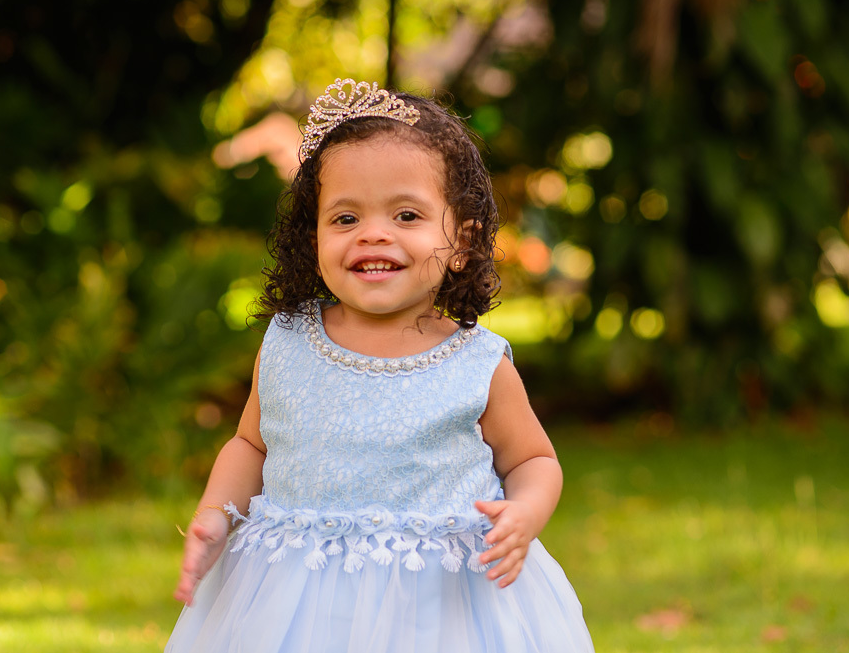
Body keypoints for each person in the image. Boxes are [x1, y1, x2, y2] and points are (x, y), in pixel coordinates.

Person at [166, 78, 595, 652]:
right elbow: (251, 446)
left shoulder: (476, 364)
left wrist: (525, 514)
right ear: (311, 234)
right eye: (345, 219)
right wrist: (217, 512)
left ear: (462, 240)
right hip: (297, 600)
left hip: (439, 608)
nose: (373, 234)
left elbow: (534, 459)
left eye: (407, 216)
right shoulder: (289, 341)